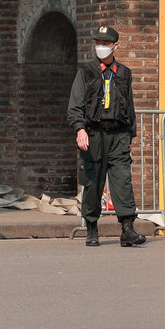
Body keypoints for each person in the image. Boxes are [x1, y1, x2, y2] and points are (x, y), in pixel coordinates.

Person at [67, 25, 146, 248]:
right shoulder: (86, 71)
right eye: (98, 43)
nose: (100, 47)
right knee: (93, 182)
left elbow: (129, 107)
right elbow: (75, 105)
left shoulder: (124, 73)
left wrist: (130, 135)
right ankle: (92, 228)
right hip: (94, 134)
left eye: (105, 43)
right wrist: (80, 129)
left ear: (115, 46)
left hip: (118, 135)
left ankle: (127, 229)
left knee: (123, 181)